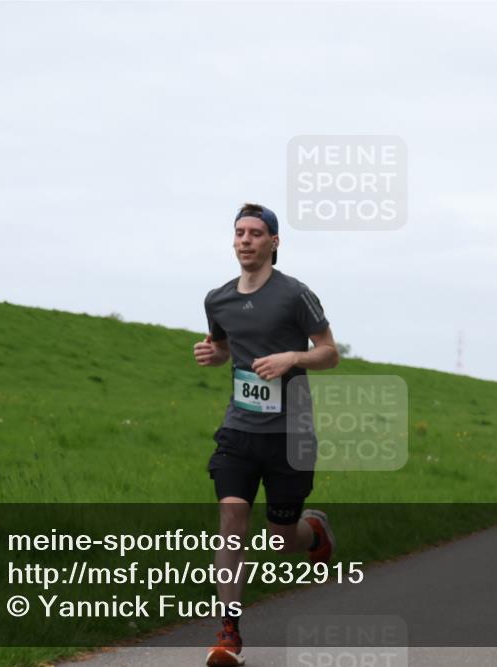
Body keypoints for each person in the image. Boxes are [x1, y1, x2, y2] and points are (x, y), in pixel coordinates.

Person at [194, 203, 340, 667]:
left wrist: (291, 359)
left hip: (288, 434)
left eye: (256, 233)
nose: (245, 240)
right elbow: (223, 349)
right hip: (239, 429)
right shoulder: (218, 299)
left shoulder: (295, 295)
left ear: (274, 242)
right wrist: (210, 354)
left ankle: (312, 530)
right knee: (231, 524)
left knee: (280, 539)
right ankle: (228, 633)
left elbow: (330, 353)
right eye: (239, 232)